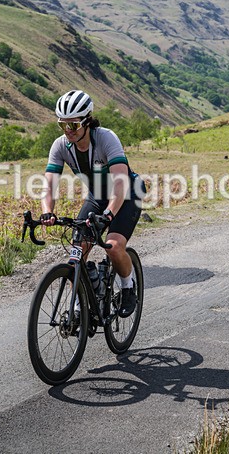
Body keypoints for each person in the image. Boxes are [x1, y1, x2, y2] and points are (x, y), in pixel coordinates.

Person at [40, 90, 145, 318]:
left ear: (87, 121)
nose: (68, 130)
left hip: (128, 193)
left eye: (73, 124)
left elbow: (120, 183)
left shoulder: (106, 138)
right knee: (77, 253)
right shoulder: (60, 146)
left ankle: (128, 287)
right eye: (63, 124)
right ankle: (79, 307)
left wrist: (109, 215)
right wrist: (47, 212)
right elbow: (49, 185)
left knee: (113, 246)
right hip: (97, 196)